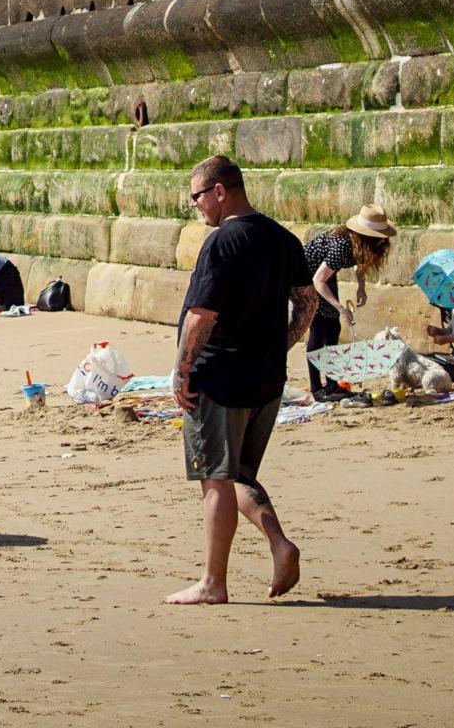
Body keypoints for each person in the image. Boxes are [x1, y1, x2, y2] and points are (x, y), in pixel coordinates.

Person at [167, 154, 318, 606]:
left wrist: (182, 369)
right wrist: (281, 345)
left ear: (219, 191)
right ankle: (278, 543)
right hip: (266, 379)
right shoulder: (284, 239)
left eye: (197, 197)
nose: (196, 206)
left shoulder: (222, 242)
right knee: (238, 475)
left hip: (220, 377)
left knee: (215, 479)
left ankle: (213, 582)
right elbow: (308, 304)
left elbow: (201, 315)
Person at [301, 206, 394, 400]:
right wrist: (341, 308)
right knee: (320, 328)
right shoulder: (342, 245)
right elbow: (319, 280)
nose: (382, 243)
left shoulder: (359, 245)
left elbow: (358, 266)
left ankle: (333, 385)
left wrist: (361, 287)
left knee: (333, 328)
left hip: (324, 278)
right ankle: (317, 389)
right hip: (305, 277)